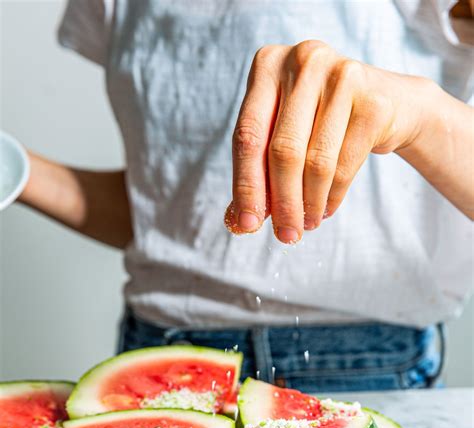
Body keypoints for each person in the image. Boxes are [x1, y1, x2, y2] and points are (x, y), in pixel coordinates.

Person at [15, 0, 474, 392]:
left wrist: (420, 117)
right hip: (161, 351)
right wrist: (16, 170)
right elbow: (166, 215)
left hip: (368, 361)